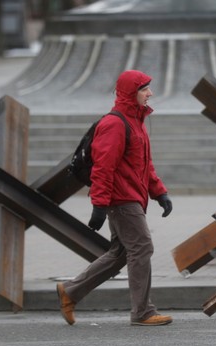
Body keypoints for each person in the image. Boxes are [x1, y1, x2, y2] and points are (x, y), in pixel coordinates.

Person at [57, 70, 173, 326]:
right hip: (122, 199)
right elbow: (103, 167)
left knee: (121, 253)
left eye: (148, 88)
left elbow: (144, 165)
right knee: (142, 247)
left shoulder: (136, 122)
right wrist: (99, 205)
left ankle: (70, 291)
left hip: (133, 196)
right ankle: (143, 312)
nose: (150, 93)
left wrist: (160, 192)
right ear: (131, 93)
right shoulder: (115, 124)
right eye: (144, 89)